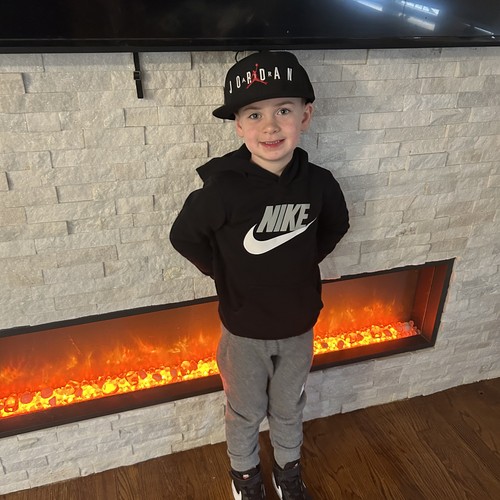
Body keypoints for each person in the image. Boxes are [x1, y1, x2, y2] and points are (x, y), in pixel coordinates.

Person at [170, 51, 349, 500]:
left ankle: (288, 472)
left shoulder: (320, 183)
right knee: (245, 412)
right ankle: (246, 476)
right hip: (244, 333)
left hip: (298, 326)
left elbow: (336, 225)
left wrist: (305, 261)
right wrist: (224, 272)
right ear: (238, 125)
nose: (270, 126)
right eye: (254, 114)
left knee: (289, 408)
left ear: (305, 116)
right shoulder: (222, 189)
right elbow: (184, 236)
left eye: (283, 110)